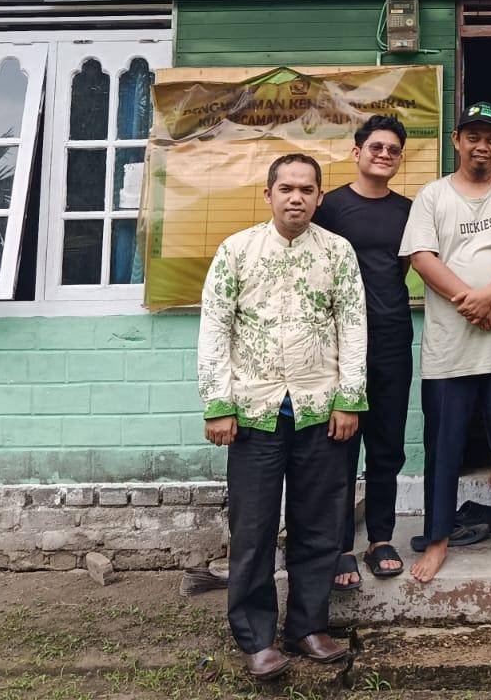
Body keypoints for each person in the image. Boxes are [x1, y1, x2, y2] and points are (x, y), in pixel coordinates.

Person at [196, 153, 366, 681]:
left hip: (320, 411)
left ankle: (308, 627)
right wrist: (218, 404)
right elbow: (214, 330)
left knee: (318, 526)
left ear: (320, 197)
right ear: (268, 194)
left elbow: (355, 327)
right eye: (286, 188)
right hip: (254, 413)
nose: (297, 197)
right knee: (254, 529)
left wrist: (348, 399)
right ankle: (255, 637)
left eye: (307, 189)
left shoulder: (338, 253)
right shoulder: (237, 251)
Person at [398, 101, 491, 584]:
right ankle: (437, 538)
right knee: (444, 444)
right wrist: (469, 301)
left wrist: (490, 297)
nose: (482, 147)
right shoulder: (432, 196)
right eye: (472, 137)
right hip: (449, 345)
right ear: (457, 141)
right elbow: (421, 256)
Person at [312, 114, 412, 588]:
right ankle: (338, 547)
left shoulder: (410, 210)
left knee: (387, 446)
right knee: (339, 445)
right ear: (357, 153)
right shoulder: (328, 207)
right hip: (337, 346)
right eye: (377, 147)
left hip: (393, 337)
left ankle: (380, 539)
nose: (385, 155)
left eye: (394, 149)